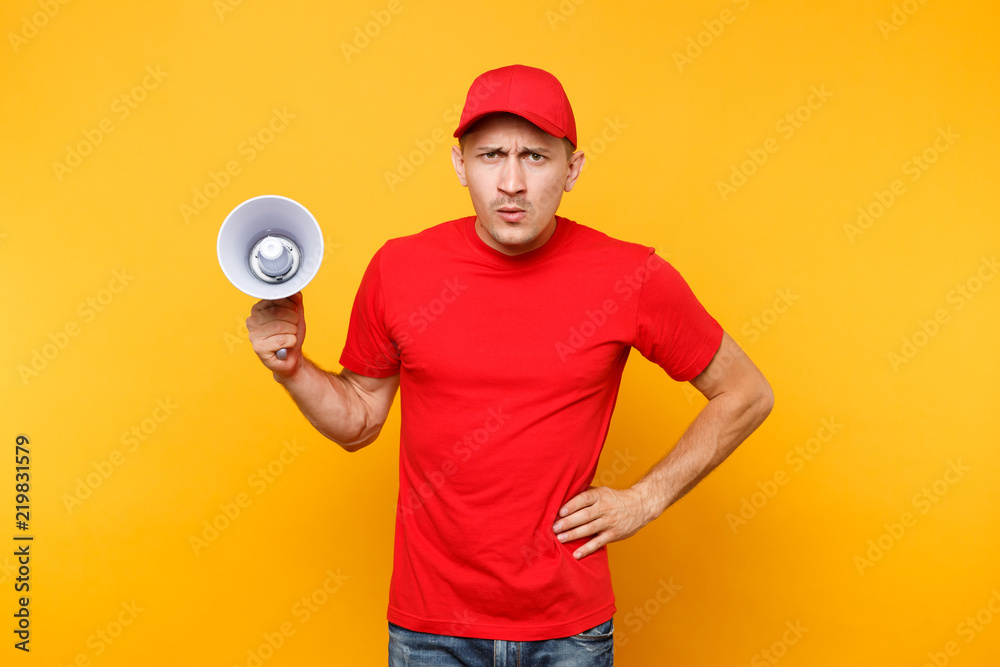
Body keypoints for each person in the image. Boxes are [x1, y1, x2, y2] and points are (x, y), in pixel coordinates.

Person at [246, 64, 773, 666]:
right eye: (491, 155)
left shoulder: (632, 276)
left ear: (572, 170)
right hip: (431, 630)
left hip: (568, 631)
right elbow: (359, 419)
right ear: (459, 165)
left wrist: (645, 499)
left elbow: (745, 393)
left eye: (536, 156)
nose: (512, 182)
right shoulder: (399, 268)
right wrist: (290, 368)